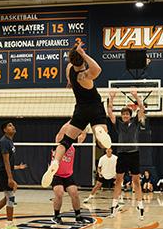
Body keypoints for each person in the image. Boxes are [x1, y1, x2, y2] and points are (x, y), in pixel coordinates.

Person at [43, 43, 112, 198]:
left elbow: (71, 71)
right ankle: (99, 131)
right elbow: (98, 69)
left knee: (66, 141)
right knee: (102, 143)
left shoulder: (69, 70)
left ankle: (56, 161)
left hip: (80, 109)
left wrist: (76, 53)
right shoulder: (85, 76)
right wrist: (83, 53)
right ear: (82, 60)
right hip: (95, 107)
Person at [107, 89, 148, 220]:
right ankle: (114, 206)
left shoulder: (135, 122)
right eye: (123, 114)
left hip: (134, 153)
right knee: (118, 180)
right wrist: (111, 98)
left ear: (130, 115)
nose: (125, 116)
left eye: (127, 114)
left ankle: (140, 206)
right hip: (122, 154)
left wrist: (135, 96)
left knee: (136, 181)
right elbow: (109, 112)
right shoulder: (118, 125)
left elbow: (141, 108)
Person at [49, 129, 89, 224]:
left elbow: (82, 136)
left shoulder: (72, 145)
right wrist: (72, 120)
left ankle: (78, 216)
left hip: (68, 175)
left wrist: (84, 123)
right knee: (59, 194)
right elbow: (61, 131)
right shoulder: (58, 143)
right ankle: (56, 216)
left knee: (74, 193)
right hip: (56, 175)